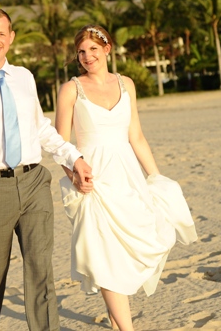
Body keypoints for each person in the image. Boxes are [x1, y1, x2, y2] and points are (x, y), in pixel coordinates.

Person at [0, 7, 93, 331]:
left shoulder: (24, 77)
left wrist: (73, 157)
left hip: (34, 182)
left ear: (11, 37)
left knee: (40, 269)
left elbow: (41, 128)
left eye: (1, 34)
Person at [55, 24, 198, 330]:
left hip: (128, 176)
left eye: (93, 49)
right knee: (104, 254)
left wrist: (156, 179)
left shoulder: (127, 84)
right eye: (81, 52)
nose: (87, 56)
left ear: (107, 49)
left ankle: (116, 317)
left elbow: (137, 137)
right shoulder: (71, 89)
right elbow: (60, 144)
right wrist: (75, 176)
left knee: (137, 246)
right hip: (92, 180)